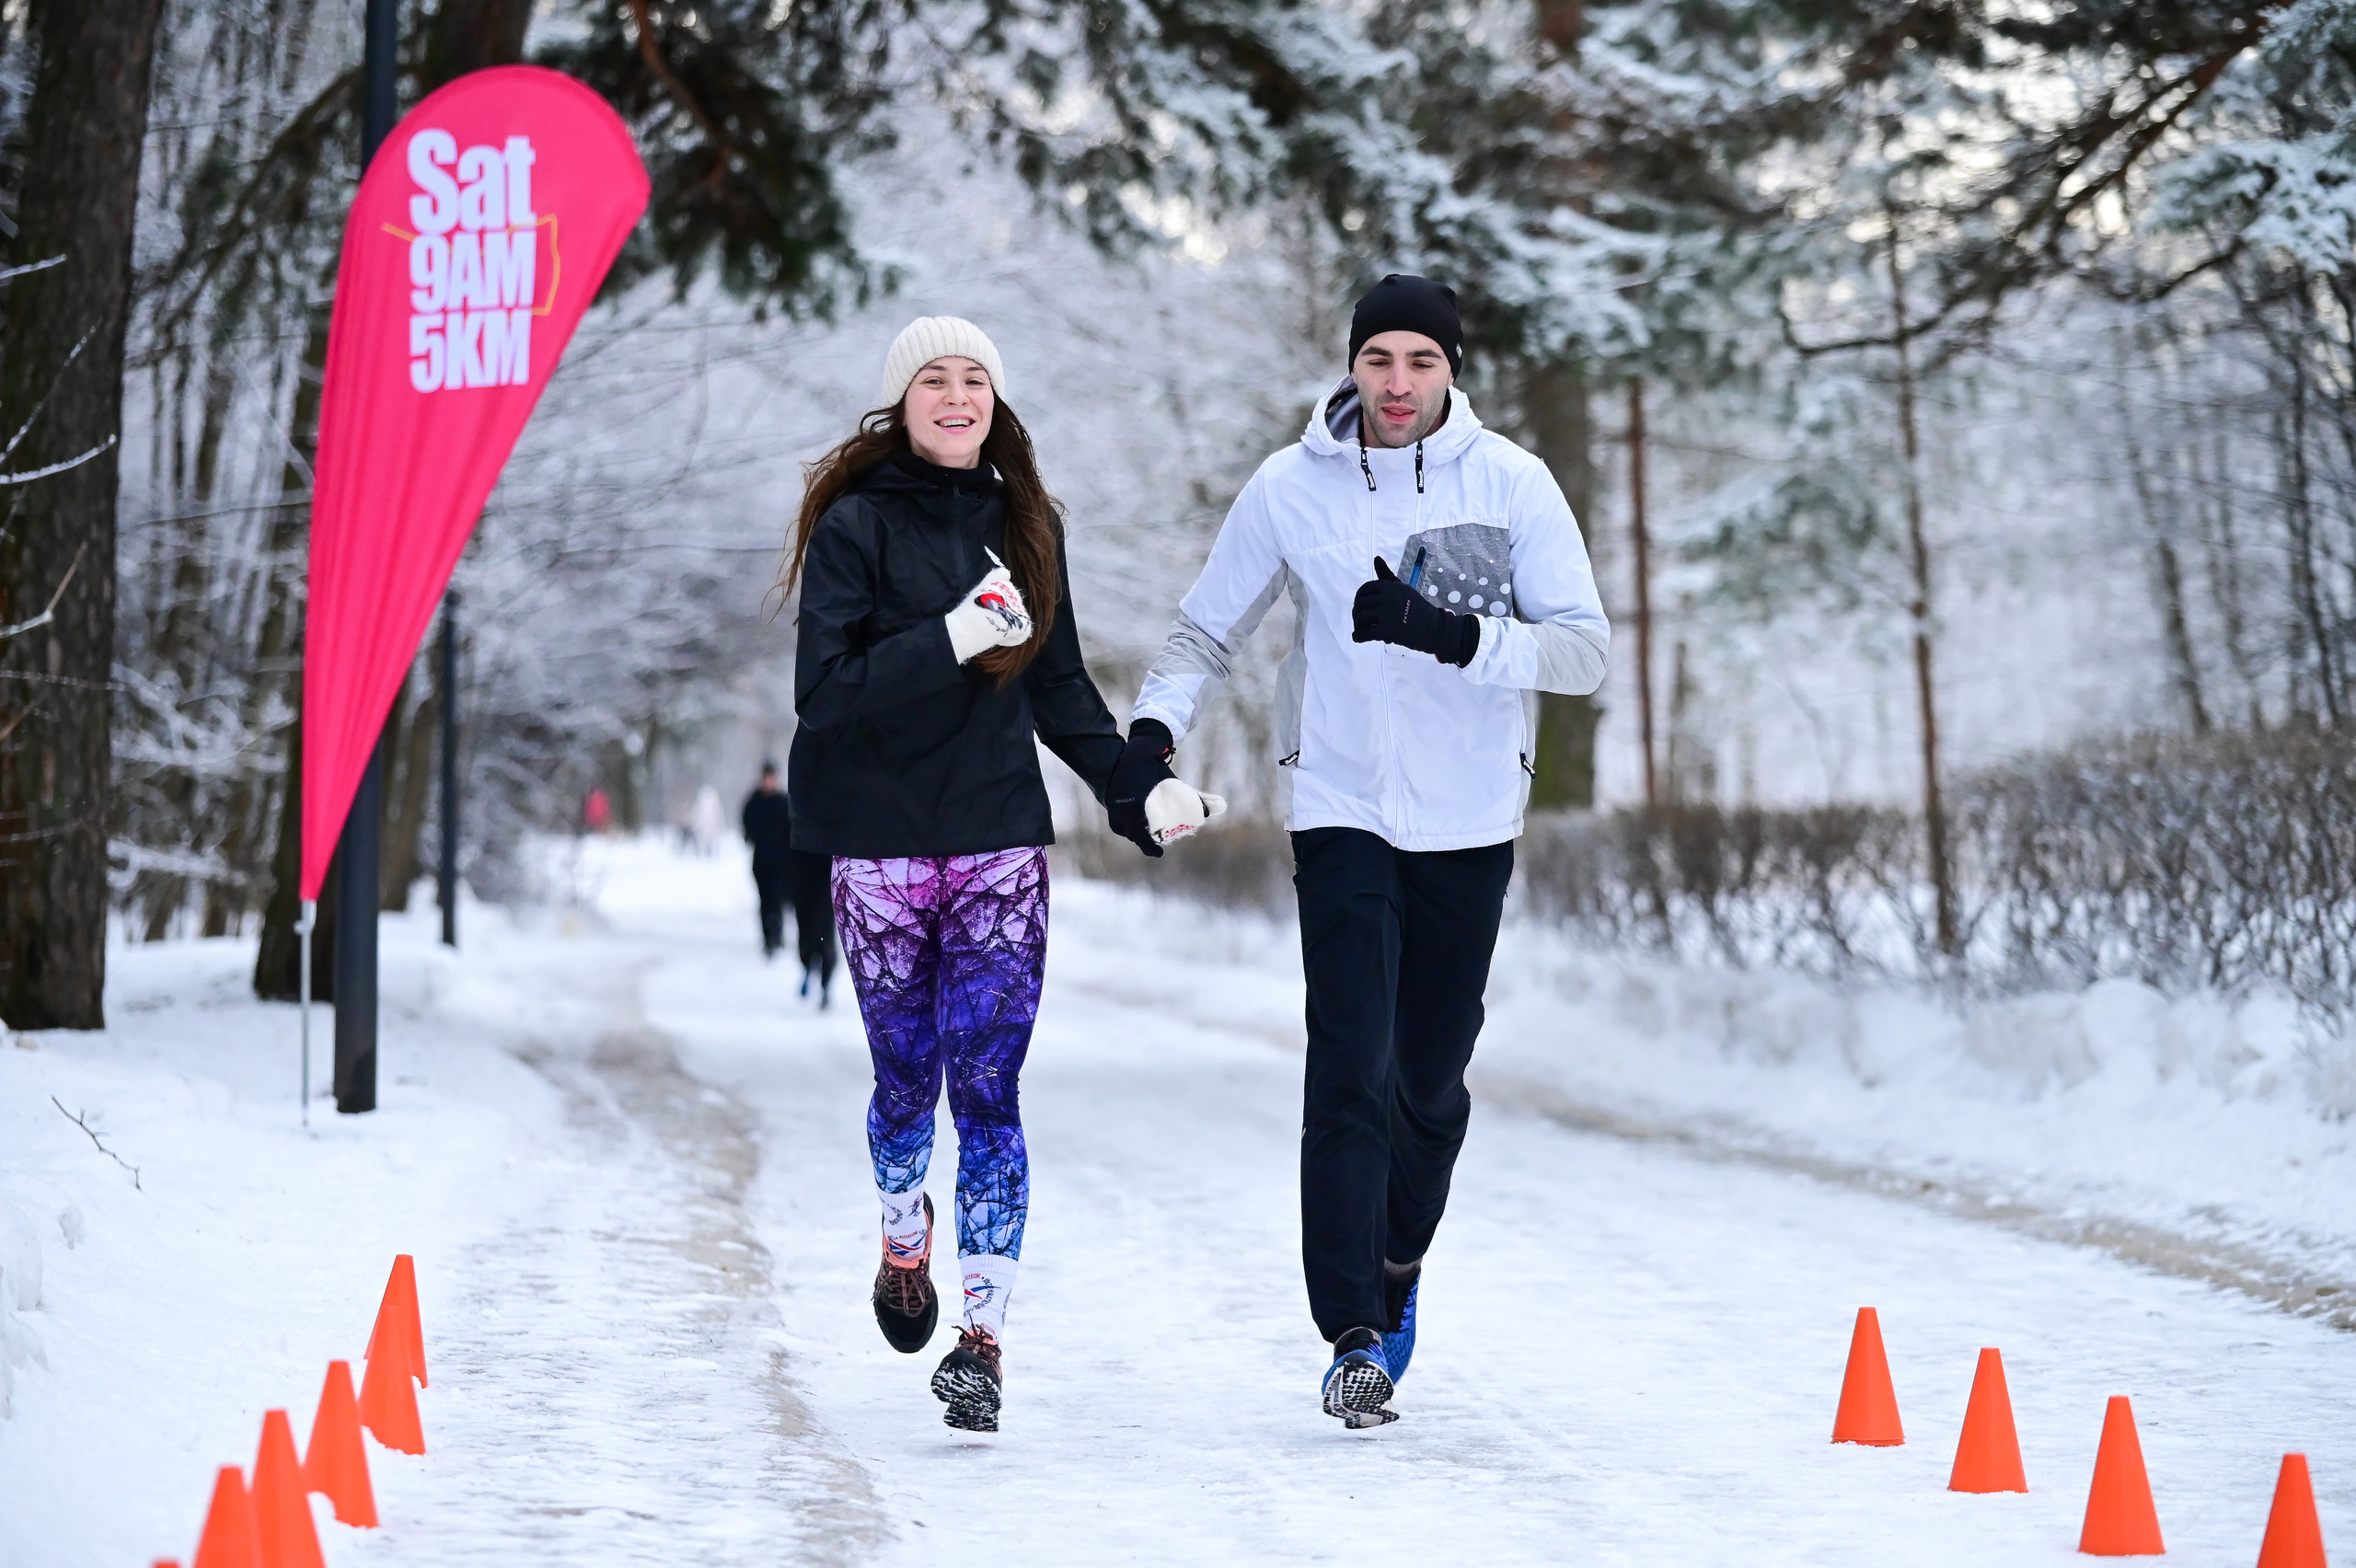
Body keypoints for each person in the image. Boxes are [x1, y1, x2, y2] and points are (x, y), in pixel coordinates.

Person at [1120, 275, 1608, 1428]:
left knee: (1428, 1087)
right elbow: (1205, 628)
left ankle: (1394, 1274)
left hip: (1471, 817)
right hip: (1338, 806)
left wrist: (1445, 632)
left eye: (1420, 363)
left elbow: (1582, 653)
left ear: (1452, 369)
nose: (1396, 385)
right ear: (1351, 365)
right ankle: (1348, 1332)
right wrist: (1149, 735)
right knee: (1348, 1065)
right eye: (1377, 360)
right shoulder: (1293, 488)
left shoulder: (1511, 484)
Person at [784, 316, 1219, 1433]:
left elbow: (1062, 691)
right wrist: (950, 635)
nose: (957, 394)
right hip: (880, 851)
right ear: (902, 401)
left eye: (974, 377)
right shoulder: (854, 526)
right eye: (934, 378)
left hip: (996, 849)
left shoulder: (1029, 525)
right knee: (902, 1086)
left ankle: (980, 1341)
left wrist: (1140, 791)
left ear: (995, 400)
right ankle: (900, 1234)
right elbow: (823, 695)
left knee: (987, 1095)